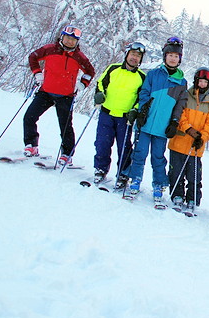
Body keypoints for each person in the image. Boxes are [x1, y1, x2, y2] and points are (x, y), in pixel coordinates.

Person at [124, 37, 188, 207]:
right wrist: (142, 110)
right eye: (170, 55)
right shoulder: (153, 74)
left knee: (158, 157)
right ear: (165, 56)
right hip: (145, 123)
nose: (173, 59)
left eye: (176, 56)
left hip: (162, 127)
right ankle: (135, 179)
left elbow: (180, 105)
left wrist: (174, 122)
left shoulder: (182, 83)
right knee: (139, 153)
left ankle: (159, 185)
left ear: (180, 59)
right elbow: (144, 92)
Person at [23, 25, 96, 167]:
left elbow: (90, 71)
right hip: (45, 92)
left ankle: (67, 154)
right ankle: (31, 145)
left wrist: (82, 84)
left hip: (66, 95)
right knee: (29, 116)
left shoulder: (79, 57)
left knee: (65, 126)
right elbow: (33, 57)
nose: (70, 42)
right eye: (68, 38)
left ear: (77, 42)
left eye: (73, 40)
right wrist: (37, 73)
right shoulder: (50, 49)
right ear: (62, 37)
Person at [92, 42, 146, 189]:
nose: (135, 58)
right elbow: (101, 83)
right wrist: (99, 94)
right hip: (107, 113)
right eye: (133, 54)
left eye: (138, 56)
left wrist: (134, 110)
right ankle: (101, 169)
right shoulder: (113, 68)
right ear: (127, 54)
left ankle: (123, 174)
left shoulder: (142, 77)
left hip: (125, 118)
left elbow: (142, 98)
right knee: (102, 142)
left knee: (124, 146)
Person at [168, 67, 209, 215]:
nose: (202, 84)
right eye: (200, 81)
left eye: (205, 82)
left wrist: (201, 137)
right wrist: (188, 129)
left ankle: (192, 199)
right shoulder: (185, 96)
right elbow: (179, 114)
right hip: (179, 142)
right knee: (176, 172)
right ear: (196, 81)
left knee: (194, 175)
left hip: (195, 147)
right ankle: (177, 195)